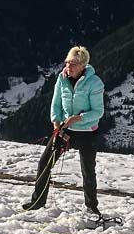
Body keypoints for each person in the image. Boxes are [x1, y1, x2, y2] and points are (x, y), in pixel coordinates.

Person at [22, 45, 105, 215]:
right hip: (65, 129)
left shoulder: (95, 83)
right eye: (67, 62)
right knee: (45, 162)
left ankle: (92, 207)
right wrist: (56, 123)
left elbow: (98, 112)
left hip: (87, 131)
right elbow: (56, 103)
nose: (68, 67)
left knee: (88, 170)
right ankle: (37, 201)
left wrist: (78, 118)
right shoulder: (62, 78)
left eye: (73, 64)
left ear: (83, 66)